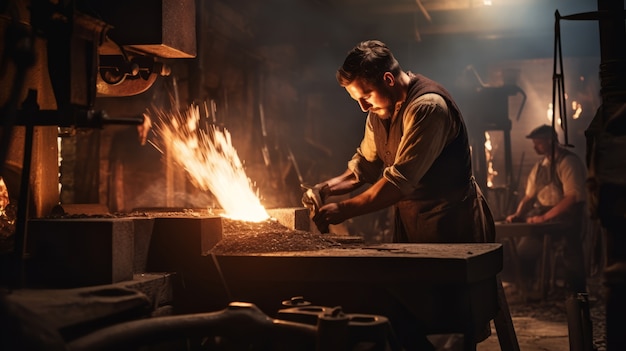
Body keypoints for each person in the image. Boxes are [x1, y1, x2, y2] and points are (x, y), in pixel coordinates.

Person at [303, 40, 495, 245]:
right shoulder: (379, 112)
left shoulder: (428, 108)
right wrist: (324, 189)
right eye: (357, 100)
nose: (363, 107)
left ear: (388, 79)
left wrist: (343, 209)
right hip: (411, 221)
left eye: (366, 96)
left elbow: (399, 181)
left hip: (452, 222)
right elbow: (364, 166)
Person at [505, 124, 588, 294]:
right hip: (543, 214)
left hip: (567, 216)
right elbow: (529, 197)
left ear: (551, 141)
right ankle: (525, 286)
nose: (535, 146)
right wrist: (518, 214)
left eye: (539, 143)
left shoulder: (568, 162)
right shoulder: (540, 167)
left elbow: (572, 197)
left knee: (571, 251)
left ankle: (577, 293)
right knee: (523, 248)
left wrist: (544, 218)